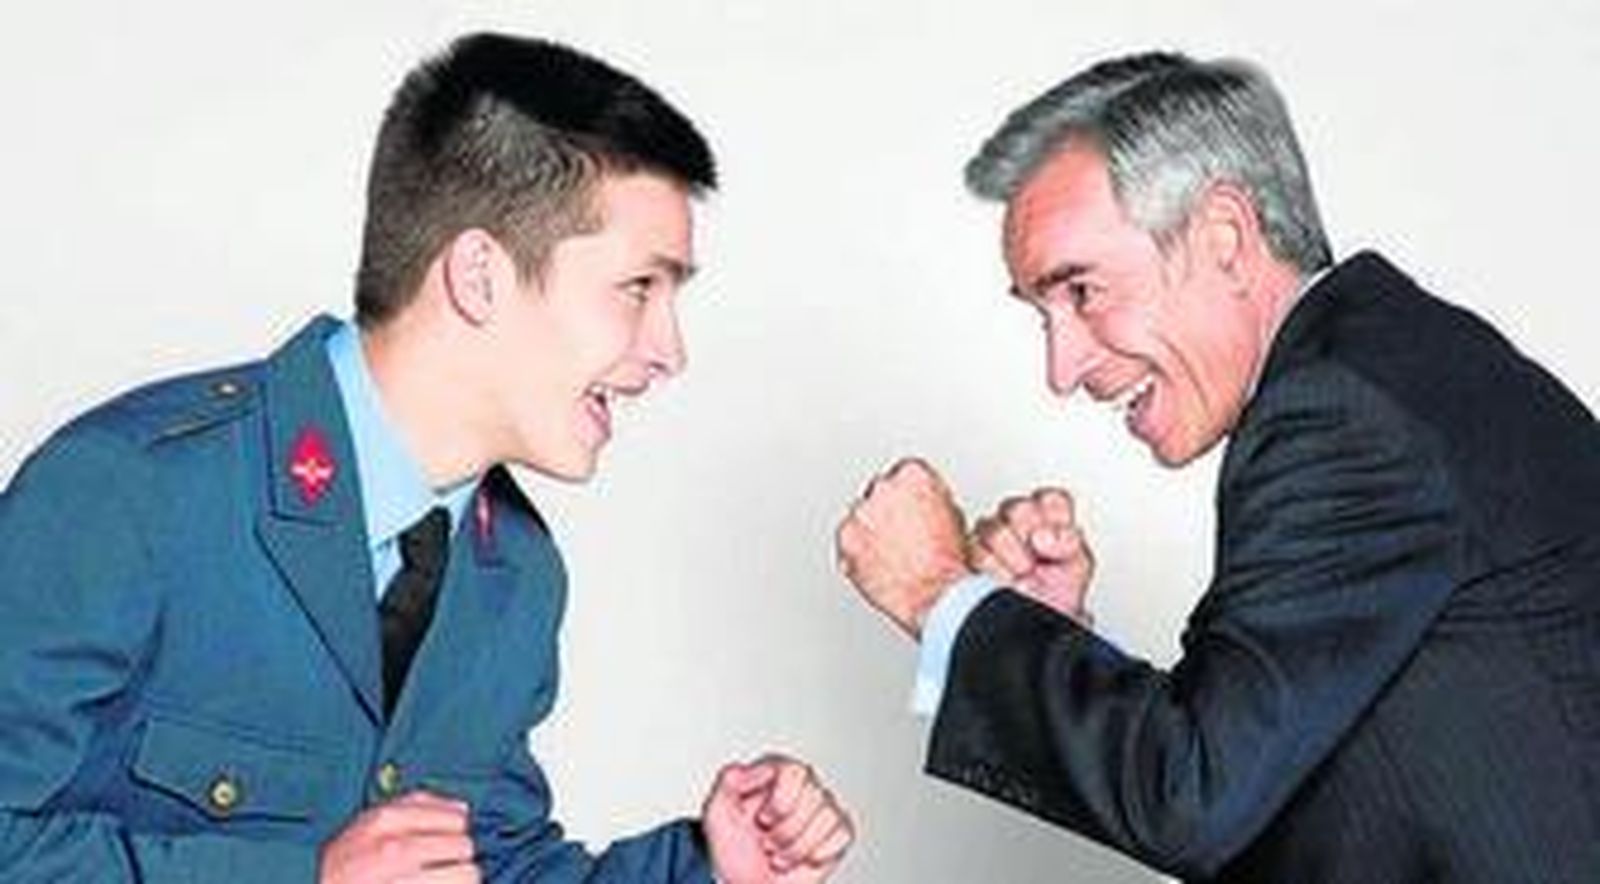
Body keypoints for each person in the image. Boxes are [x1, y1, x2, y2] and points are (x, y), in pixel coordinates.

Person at [0, 33, 853, 883]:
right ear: (479, 276)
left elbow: (489, 865)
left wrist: (708, 869)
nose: (670, 352)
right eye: (639, 287)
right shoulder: (130, 494)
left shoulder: (516, 573)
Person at [836, 50, 1600, 882]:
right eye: (1042, 314)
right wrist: (1050, 640)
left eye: (1082, 291)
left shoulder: (1345, 416)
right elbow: (1266, 778)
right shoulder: (1388, 368)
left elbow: (1192, 798)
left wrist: (940, 593)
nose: (1061, 369)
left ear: (1225, 239)